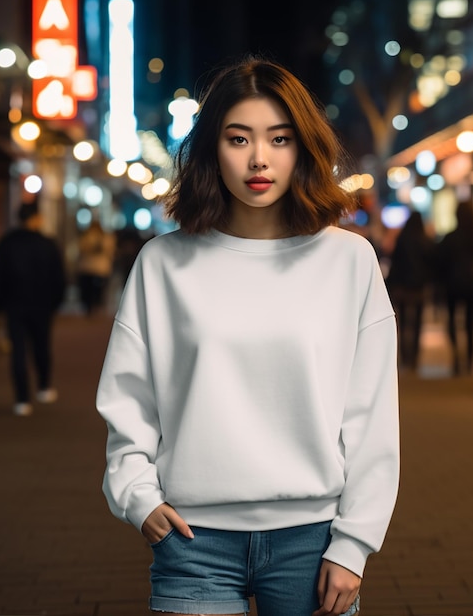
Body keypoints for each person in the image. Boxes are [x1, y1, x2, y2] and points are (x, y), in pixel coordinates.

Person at [96, 56, 400, 616]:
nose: (259, 158)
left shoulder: (348, 260)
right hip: (192, 539)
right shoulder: (164, 263)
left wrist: (354, 542)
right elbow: (129, 399)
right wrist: (138, 497)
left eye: (279, 139)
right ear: (212, 148)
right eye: (239, 139)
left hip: (313, 538)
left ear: (302, 148)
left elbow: (372, 414)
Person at [0, 198, 66, 416]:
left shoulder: (7, 243)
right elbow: (59, 277)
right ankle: (43, 386)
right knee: (42, 346)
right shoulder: (47, 243)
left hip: (15, 305)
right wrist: (56, 302)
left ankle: (22, 399)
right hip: (42, 305)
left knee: (18, 351)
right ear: (37, 218)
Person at [436, 200, 473, 375]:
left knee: (451, 319)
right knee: (470, 321)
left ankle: (456, 355)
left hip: (452, 284)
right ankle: (470, 359)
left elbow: (439, 261)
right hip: (471, 284)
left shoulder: (450, 237)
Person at [386, 210, 436, 373]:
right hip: (418, 288)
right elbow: (430, 265)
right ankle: (414, 355)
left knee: (402, 321)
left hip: (401, 288)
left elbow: (395, 263)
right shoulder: (425, 241)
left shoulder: (402, 239)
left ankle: (403, 355)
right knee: (417, 323)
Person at [75, 219, 116, 315]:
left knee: (87, 290)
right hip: (101, 268)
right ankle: (96, 307)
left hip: (87, 267)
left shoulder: (86, 236)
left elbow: (81, 249)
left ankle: (89, 308)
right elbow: (110, 252)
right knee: (98, 290)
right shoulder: (106, 237)